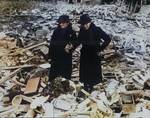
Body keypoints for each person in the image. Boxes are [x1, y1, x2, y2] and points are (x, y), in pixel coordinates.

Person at [77, 14, 111, 93]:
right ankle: (85, 88)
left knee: (92, 73)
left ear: (90, 22)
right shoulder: (82, 30)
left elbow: (107, 39)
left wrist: (100, 49)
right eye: (83, 24)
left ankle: (91, 89)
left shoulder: (97, 30)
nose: (85, 26)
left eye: (86, 24)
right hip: (85, 53)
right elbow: (78, 41)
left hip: (94, 54)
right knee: (85, 72)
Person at [48, 15, 77, 81]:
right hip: (56, 56)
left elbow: (75, 44)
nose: (61, 24)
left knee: (65, 76)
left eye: (63, 23)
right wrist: (50, 57)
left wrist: (71, 47)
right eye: (60, 23)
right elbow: (52, 45)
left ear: (68, 23)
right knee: (54, 75)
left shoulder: (72, 33)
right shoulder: (56, 32)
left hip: (66, 57)